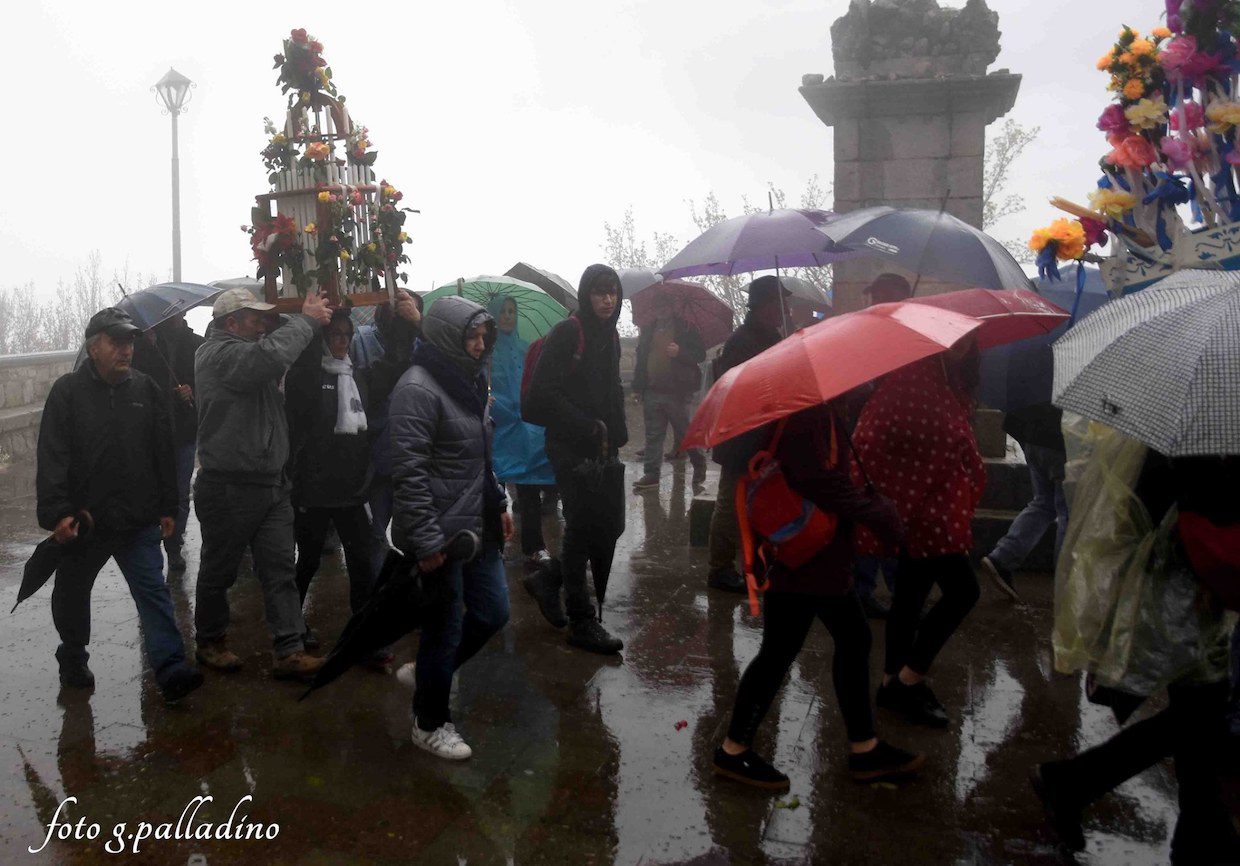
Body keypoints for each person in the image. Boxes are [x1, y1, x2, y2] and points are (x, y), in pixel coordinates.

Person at [1032, 450, 1240, 863]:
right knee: (1196, 716)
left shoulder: (1181, 443)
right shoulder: (1206, 456)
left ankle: (1202, 833)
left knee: (1198, 719)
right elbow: (1211, 514)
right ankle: (1071, 783)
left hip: (1184, 592)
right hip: (1189, 600)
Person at [713, 402, 923, 790]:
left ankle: (864, 747)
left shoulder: (817, 411)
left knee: (845, 640)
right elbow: (817, 479)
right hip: (808, 557)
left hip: (812, 554)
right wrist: (874, 510)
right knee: (787, 650)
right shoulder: (808, 414)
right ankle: (733, 749)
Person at [36, 307, 204, 703]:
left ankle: (171, 668)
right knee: (72, 594)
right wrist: (57, 513)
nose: (126, 349)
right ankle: (73, 654)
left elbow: (163, 451)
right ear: (94, 348)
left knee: (154, 593)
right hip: (86, 522)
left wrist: (168, 506)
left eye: (129, 341)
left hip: (137, 519)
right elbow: (53, 456)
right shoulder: (67, 393)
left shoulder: (146, 390)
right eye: (117, 342)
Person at [389, 295, 514, 760]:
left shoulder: (468, 381)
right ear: (446, 337)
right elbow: (408, 470)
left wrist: (498, 501)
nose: (480, 346)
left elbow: (479, 459)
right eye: (471, 337)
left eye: (484, 338)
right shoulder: (417, 388)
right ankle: (429, 722)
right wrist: (425, 540)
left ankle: (426, 674)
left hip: (476, 528)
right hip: (442, 535)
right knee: (442, 627)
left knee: (493, 612)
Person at [192, 287, 331, 681]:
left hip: (271, 483)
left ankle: (289, 648)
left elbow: (271, 350)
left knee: (279, 569)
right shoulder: (218, 355)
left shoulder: (246, 350)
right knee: (220, 572)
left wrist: (291, 315)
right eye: (256, 319)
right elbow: (268, 357)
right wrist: (304, 320)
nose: (263, 326)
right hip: (228, 487)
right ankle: (210, 641)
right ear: (230, 323)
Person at [852, 347, 986, 728]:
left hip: (914, 507)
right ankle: (908, 680)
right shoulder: (922, 382)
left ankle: (890, 681)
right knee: (964, 592)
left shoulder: (924, 378)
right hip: (928, 511)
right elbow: (936, 441)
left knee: (909, 597)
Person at [285, 305, 409, 657]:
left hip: (352, 491)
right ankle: (292, 627)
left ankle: (366, 636)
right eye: (334, 335)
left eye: (346, 335)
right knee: (307, 562)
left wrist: (406, 323)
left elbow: (397, 361)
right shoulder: (305, 377)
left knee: (360, 564)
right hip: (313, 490)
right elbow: (304, 366)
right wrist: (312, 319)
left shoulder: (361, 378)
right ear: (323, 338)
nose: (341, 341)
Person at [521, 264, 628, 655]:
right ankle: (582, 620)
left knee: (597, 527)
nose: (607, 299)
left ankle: (549, 579)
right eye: (600, 292)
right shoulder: (570, 332)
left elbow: (611, 387)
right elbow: (539, 397)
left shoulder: (611, 336)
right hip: (567, 446)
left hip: (598, 450)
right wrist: (586, 426)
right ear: (586, 295)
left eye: (613, 292)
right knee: (582, 526)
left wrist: (617, 436)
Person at [705, 276, 790, 594]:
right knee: (730, 505)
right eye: (780, 303)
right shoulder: (742, 342)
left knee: (756, 504)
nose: (784, 309)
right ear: (765, 306)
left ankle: (754, 564)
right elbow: (739, 390)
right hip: (741, 439)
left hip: (761, 438)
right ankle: (720, 569)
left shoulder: (770, 338)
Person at [850, 273, 913, 619]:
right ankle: (867, 587)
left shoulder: (906, 337)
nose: (870, 303)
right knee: (875, 511)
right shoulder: (865, 332)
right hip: (869, 436)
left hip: (893, 437)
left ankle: (891, 585)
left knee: (887, 512)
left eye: (875, 296)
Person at [351, 290, 422, 577]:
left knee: (415, 535)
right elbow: (359, 393)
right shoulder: (363, 340)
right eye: (397, 307)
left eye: (409, 311)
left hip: (413, 455)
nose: (400, 313)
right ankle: (378, 597)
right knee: (375, 533)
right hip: (378, 450)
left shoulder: (421, 342)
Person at [486, 295, 557, 573]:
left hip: (524, 427)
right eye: (502, 311)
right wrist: (487, 399)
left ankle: (534, 546)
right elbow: (478, 386)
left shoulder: (526, 349)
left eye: (511, 311)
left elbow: (534, 384)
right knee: (493, 490)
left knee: (528, 488)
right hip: (496, 425)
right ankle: (494, 546)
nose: (507, 316)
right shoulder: (485, 353)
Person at [131, 313, 204, 573]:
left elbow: (208, 380)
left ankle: (173, 546)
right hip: (153, 431)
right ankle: (154, 542)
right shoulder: (146, 344)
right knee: (154, 489)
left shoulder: (196, 343)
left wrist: (191, 389)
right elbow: (134, 378)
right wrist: (144, 345)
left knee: (181, 493)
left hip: (184, 430)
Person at [979, 400, 1068, 601]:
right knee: (1066, 513)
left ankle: (1003, 557)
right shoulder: (1073, 381)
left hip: (1033, 439)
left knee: (1043, 503)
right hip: (1058, 443)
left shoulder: (1038, 375)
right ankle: (1066, 584)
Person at [631, 293, 707, 493]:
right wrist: (638, 387)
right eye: (657, 306)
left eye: (664, 305)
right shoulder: (648, 329)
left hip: (678, 391)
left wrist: (680, 352)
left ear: (672, 306)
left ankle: (699, 465)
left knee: (685, 433)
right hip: (652, 389)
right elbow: (641, 359)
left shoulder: (687, 328)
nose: (661, 309)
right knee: (654, 435)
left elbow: (700, 354)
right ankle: (652, 474)